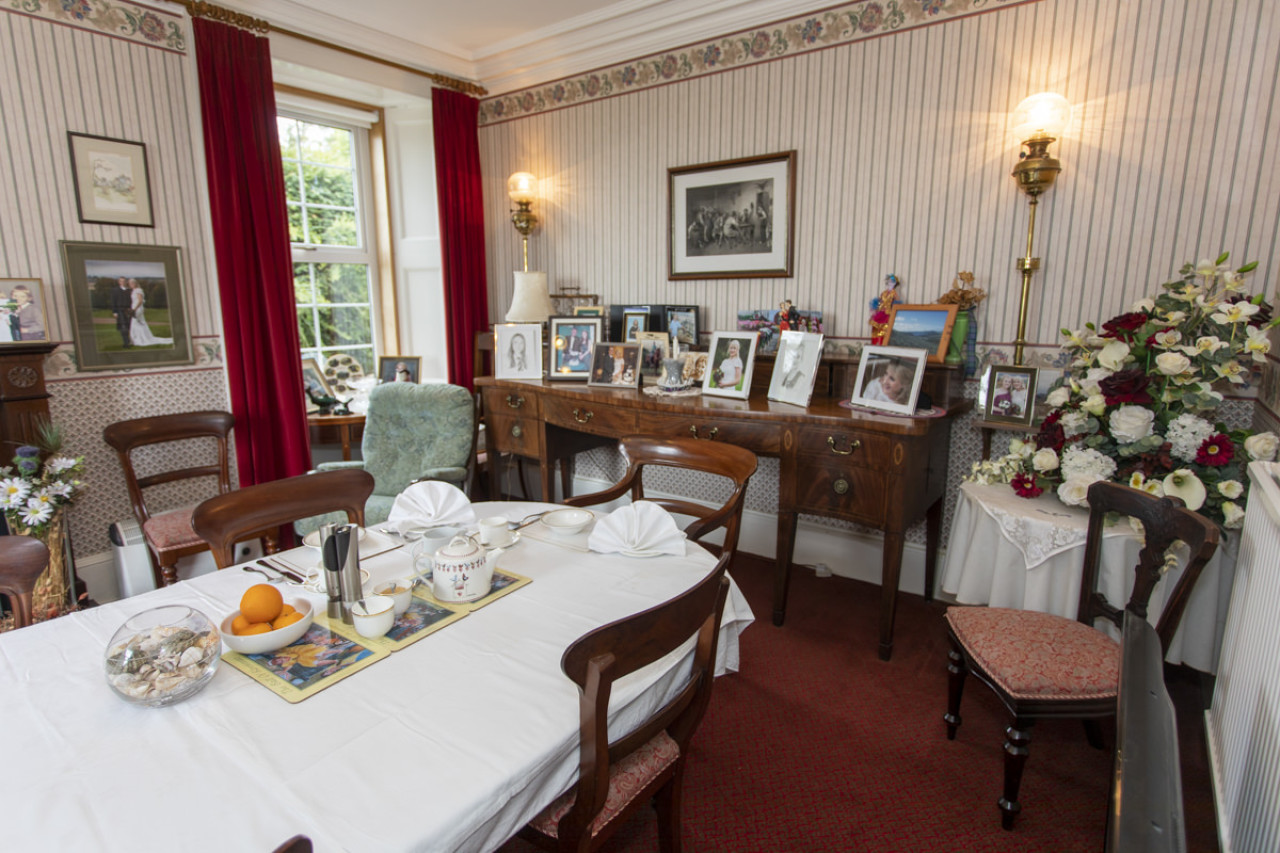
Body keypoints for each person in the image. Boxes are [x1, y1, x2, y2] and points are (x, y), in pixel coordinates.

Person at [127, 279, 173, 347]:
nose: (130, 285)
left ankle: (140, 339)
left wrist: (134, 309)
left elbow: (140, 301)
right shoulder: (134, 291)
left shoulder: (138, 290)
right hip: (135, 307)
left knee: (136, 323)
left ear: (135, 283)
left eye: (132, 283)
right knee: (138, 323)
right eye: (130, 283)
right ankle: (137, 339)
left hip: (137, 308)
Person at [111, 277, 133, 348]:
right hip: (120, 310)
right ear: (119, 282)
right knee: (123, 327)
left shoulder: (129, 290)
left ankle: (129, 341)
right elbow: (113, 301)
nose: (122, 282)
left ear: (125, 282)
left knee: (129, 326)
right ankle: (126, 343)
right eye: (121, 281)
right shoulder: (115, 290)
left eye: (124, 281)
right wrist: (114, 312)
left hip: (128, 311)